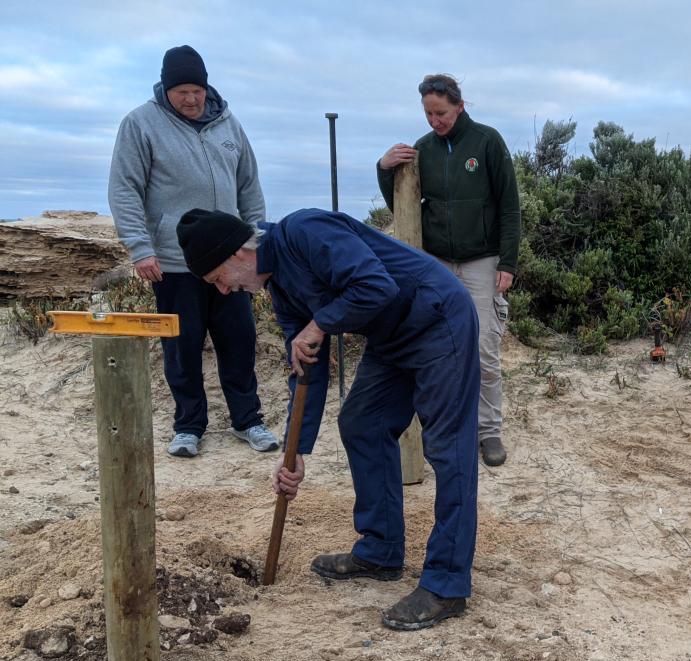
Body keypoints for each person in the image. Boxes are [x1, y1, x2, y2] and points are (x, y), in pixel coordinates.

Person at [176, 207, 480, 631]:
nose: (224, 292)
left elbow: (376, 285)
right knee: (362, 422)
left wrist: (319, 324)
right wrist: (295, 450)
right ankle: (380, 550)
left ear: (237, 254)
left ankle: (447, 585)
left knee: (448, 448)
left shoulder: (305, 232)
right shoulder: (280, 289)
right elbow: (306, 366)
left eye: (217, 280)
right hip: (391, 338)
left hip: (436, 317)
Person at [108, 45, 278, 458]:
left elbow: (249, 187)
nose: (190, 98)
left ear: (206, 87)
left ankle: (248, 420)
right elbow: (124, 189)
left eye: (196, 90)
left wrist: (254, 240)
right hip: (171, 261)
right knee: (181, 347)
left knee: (238, 339)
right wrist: (140, 247)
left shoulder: (228, 124)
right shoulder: (140, 124)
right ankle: (189, 426)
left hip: (231, 261)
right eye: (181, 90)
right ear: (165, 89)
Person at [376, 74, 521, 468]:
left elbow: (510, 205)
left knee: (483, 351)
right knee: (435, 351)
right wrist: (384, 169)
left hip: (482, 262)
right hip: (436, 264)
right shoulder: (422, 149)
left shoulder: (488, 142)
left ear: (459, 105)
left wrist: (507, 262)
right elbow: (401, 207)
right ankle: (441, 430)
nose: (434, 121)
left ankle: (488, 431)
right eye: (427, 113)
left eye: (440, 112)